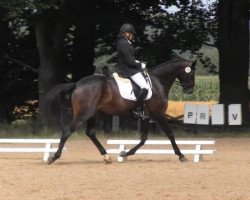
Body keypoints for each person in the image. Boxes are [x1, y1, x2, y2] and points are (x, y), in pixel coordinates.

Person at [116, 23, 150, 117]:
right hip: (128, 70)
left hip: (126, 67)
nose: (132, 36)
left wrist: (136, 61)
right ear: (126, 33)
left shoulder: (121, 42)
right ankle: (138, 110)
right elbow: (130, 62)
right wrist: (140, 65)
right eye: (132, 34)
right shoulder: (125, 43)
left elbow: (128, 58)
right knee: (145, 87)